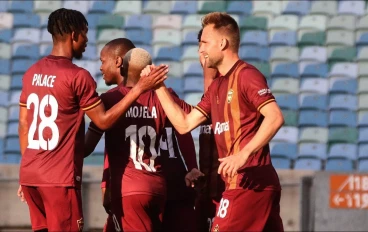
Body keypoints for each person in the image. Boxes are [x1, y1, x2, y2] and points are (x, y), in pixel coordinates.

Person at [17, 8, 168, 232]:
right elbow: (104, 121)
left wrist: (27, 170)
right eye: (85, 33)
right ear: (74, 34)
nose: (87, 40)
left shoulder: (31, 72)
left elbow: (24, 125)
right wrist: (140, 89)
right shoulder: (78, 76)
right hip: (59, 180)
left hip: (30, 176)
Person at [139, 12, 285, 232]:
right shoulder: (216, 87)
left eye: (205, 43)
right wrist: (158, 86)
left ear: (223, 42)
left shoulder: (246, 75)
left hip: (248, 181)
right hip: (249, 184)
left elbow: (275, 117)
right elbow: (184, 124)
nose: (201, 50)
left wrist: (243, 154)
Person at [85, 40, 199, 232]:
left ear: (120, 64)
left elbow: (90, 145)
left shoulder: (110, 99)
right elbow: (188, 123)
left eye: (103, 61)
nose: (101, 67)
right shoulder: (164, 97)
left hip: (129, 188)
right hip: (158, 185)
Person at [194, 28, 226, 232]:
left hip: (228, 190)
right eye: (199, 46)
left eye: (205, 45)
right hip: (206, 191)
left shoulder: (233, 86)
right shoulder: (207, 98)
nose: (202, 53)